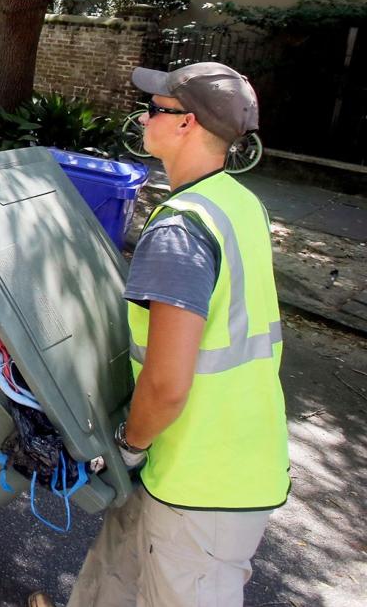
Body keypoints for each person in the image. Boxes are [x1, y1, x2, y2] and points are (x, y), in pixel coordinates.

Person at [30, 62, 289, 607]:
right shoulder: (240, 204)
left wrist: (127, 447)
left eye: (154, 108)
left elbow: (168, 383)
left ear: (185, 124)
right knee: (113, 583)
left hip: (203, 484)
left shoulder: (180, 230)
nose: (143, 116)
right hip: (219, 456)